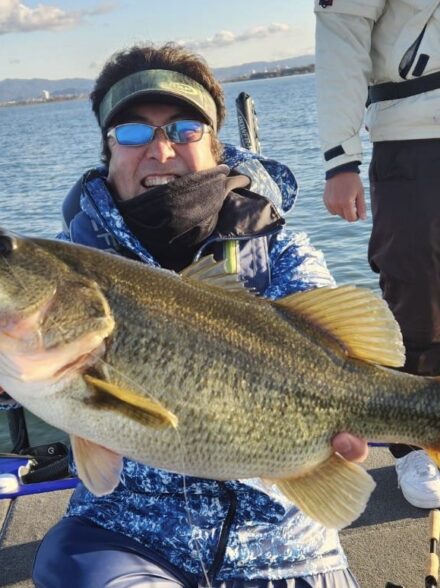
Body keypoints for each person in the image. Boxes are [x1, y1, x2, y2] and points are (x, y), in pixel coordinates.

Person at [4, 42, 369, 587]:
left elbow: (348, 354)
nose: (160, 149)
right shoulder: (67, 255)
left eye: (183, 129)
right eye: (132, 131)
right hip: (124, 536)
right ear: (107, 150)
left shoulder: (284, 252)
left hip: (288, 544)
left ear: (215, 145)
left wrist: (353, 420)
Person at [314, 0, 440, 509]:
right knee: (416, 292)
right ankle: (415, 446)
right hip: (412, 136)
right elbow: (341, 29)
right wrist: (339, 157)